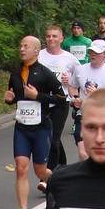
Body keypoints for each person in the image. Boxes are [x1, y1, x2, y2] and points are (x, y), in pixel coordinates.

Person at [5, 36, 65, 209]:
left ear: (36, 51)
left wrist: (38, 95)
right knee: (21, 168)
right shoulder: (15, 74)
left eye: (26, 46)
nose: (22, 49)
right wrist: (9, 99)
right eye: (20, 46)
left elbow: (61, 98)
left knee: (41, 170)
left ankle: (61, 185)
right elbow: (14, 97)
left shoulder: (45, 73)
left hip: (41, 129)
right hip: (22, 129)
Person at [67, 39, 105, 161]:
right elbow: (71, 85)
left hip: (103, 119)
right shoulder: (81, 69)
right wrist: (75, 98)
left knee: (100, 155)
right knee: (84, 153)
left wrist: (97, 95)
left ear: (104, 55)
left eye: (96, 53)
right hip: (83, 116)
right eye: (91, 51)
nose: (93, 55)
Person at [39, 26, 82, 173]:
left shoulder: (69, 59)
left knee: (53, 138)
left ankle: (48, 176)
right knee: (49, 137)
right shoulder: (39, 55)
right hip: (43, 101)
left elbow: (79, 78)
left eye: (54, 36)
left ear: (61, 39)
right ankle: (62, 165)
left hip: (60, 101)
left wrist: (70, 80)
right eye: (48, 36)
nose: (51, 39)